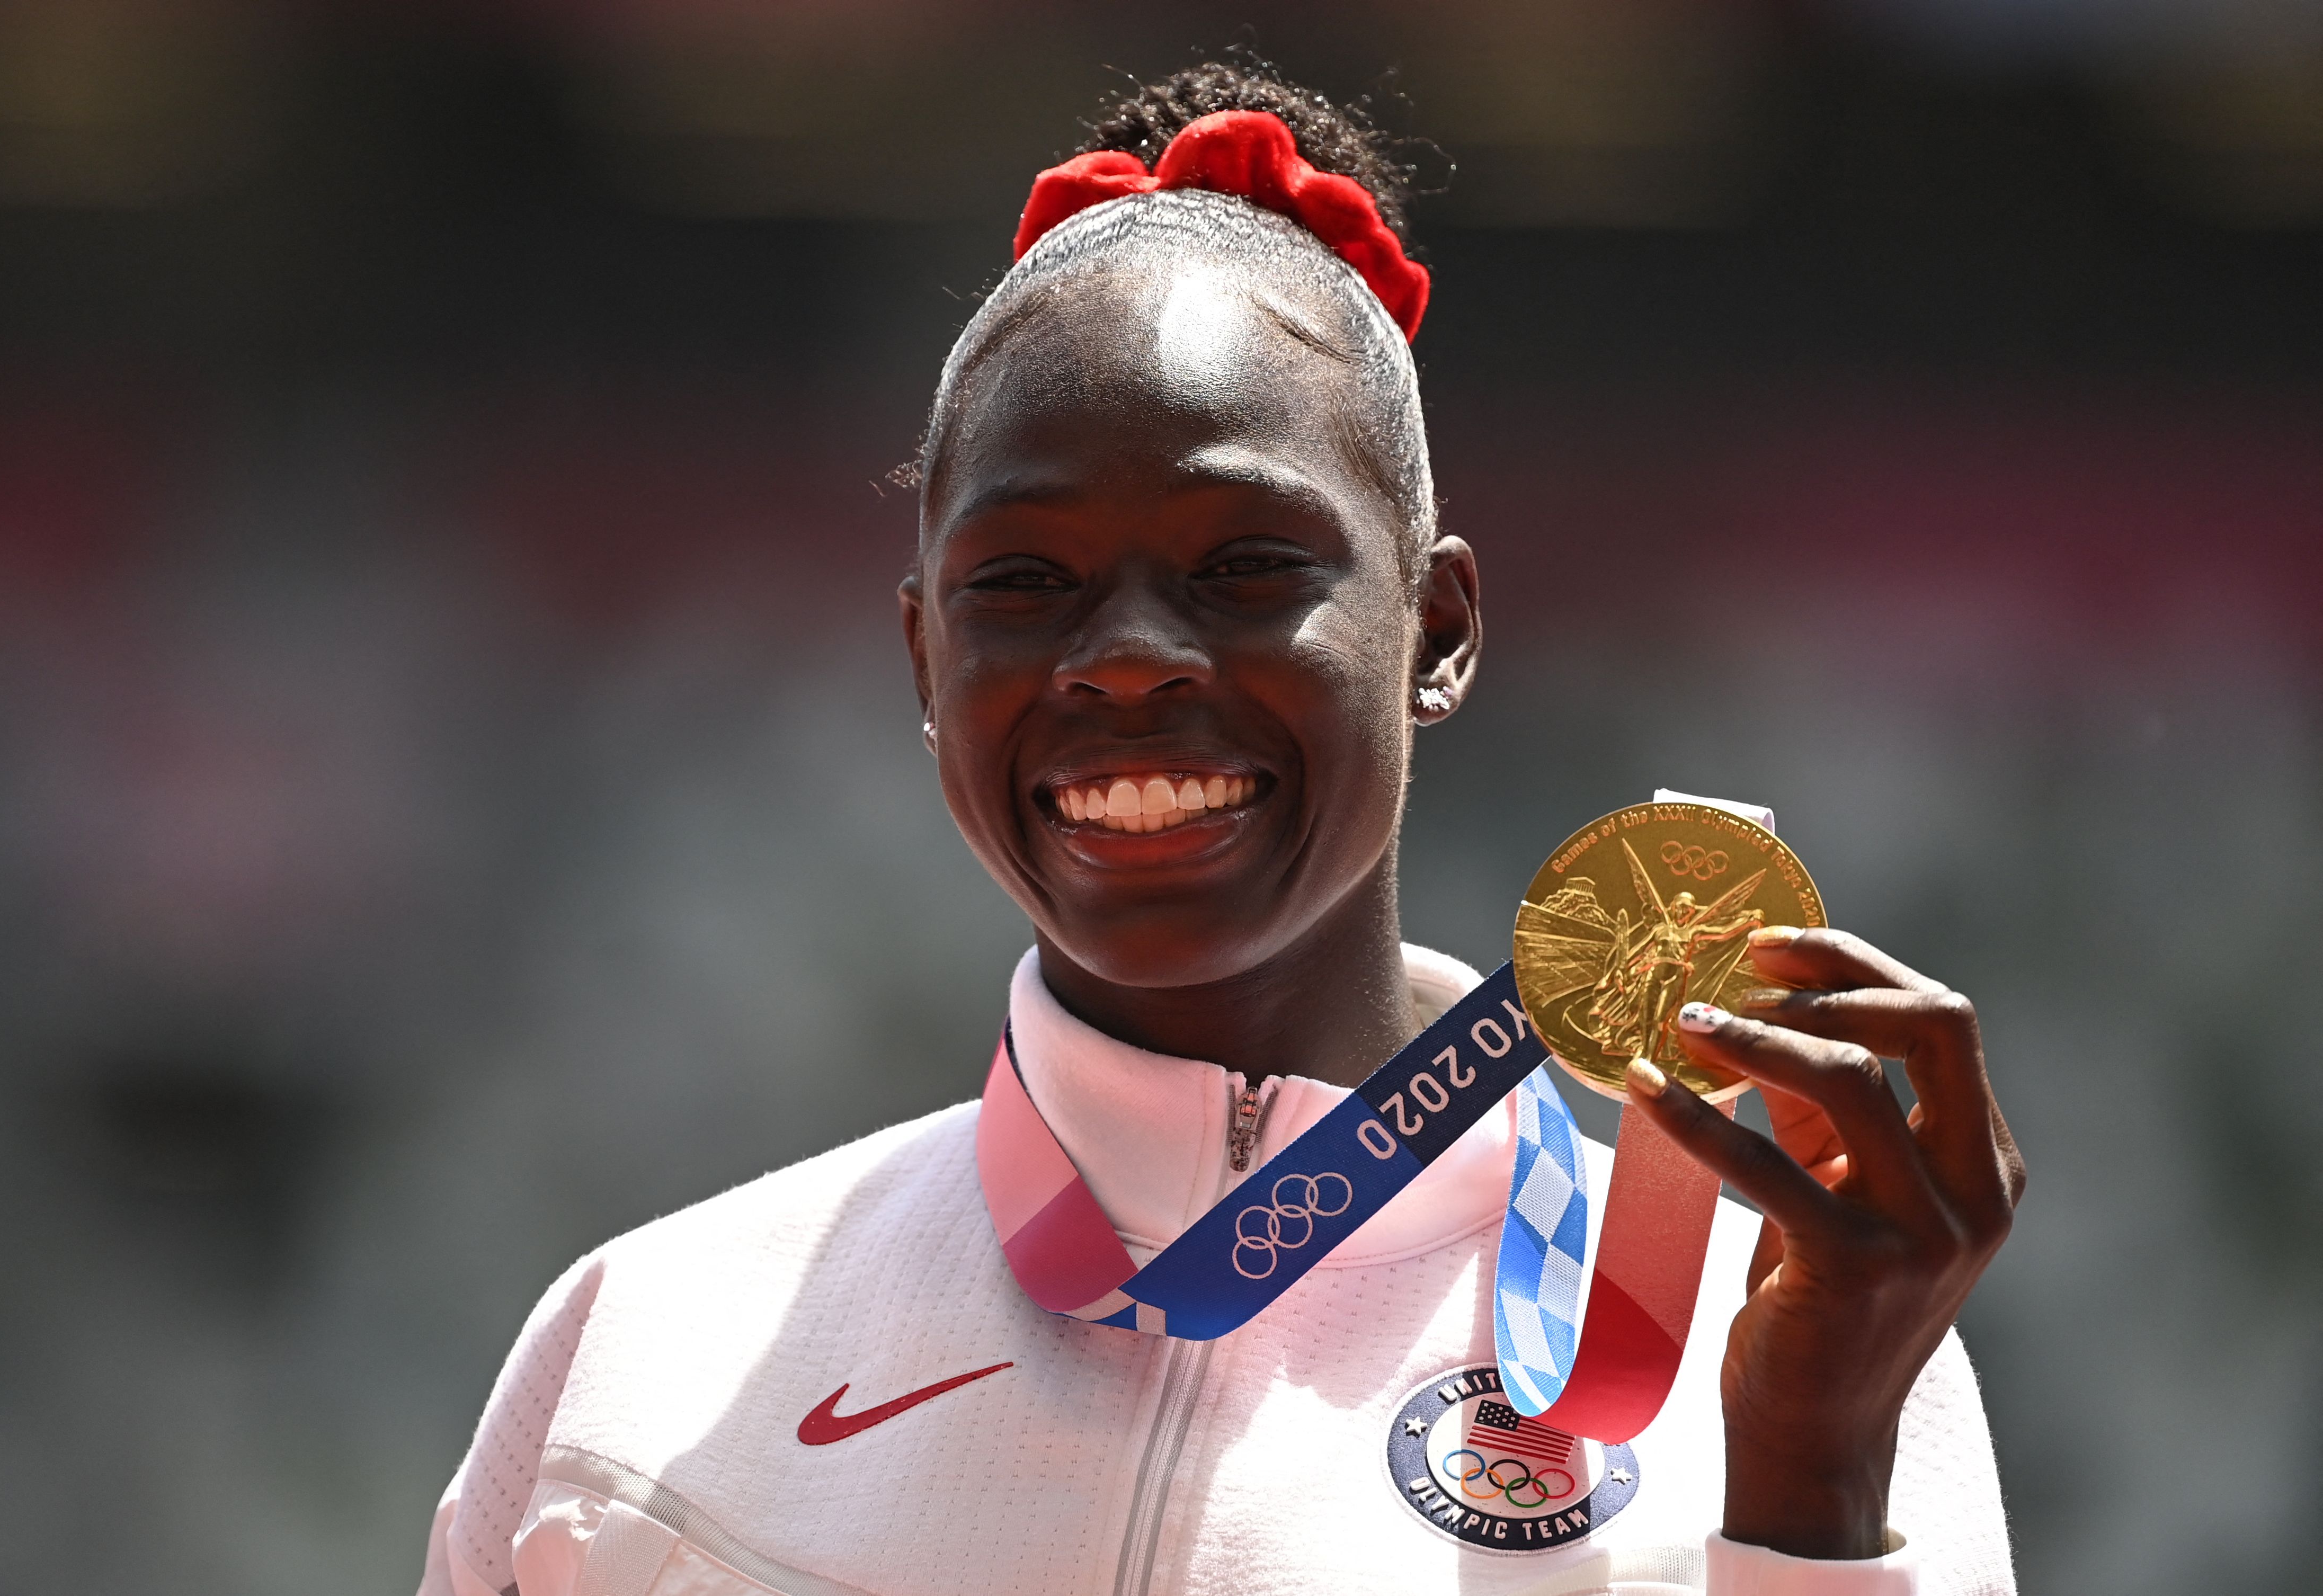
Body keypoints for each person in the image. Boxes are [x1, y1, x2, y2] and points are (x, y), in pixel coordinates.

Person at [414, 59, 2024, 1596]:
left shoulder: (1798, 1351)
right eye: (1024, 582)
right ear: (926, 657)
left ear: (1439, 628)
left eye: (1246, 566)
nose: (1123, 656)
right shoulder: (635, 1354)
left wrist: (1808, 1492)